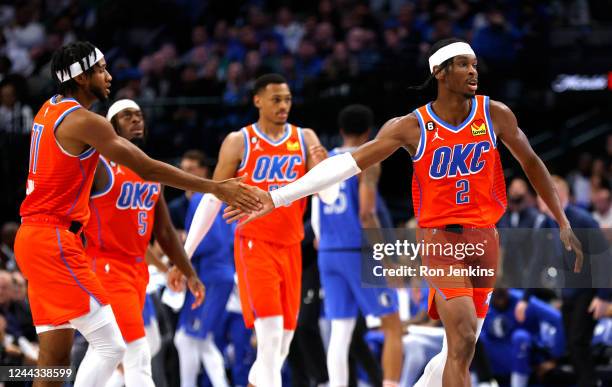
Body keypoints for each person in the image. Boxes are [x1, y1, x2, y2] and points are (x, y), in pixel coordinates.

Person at [226, 38, 584, 387]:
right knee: (460, 336)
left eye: (475, 64)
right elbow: (347, 164)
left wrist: (562, 220)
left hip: (485, 236)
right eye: (463, 64)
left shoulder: (495, 114)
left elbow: (532, 163)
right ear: (440, 73)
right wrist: (279, 196)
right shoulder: (411, 126)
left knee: (461, 346)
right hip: (439, 238)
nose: (473, 71)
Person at [13, 41, 259, 387]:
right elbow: (145, 166)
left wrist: (183, 269)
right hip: (62, 242)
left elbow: (162, 227)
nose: (109, 76)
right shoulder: (86, 122)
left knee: (53, 360)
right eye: (101, 69)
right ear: (82, 77)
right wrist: (216, 187)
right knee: (114, 347)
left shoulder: (49, 109)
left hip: (39, 239)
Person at [184, 73, 333, 387]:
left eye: (288, 99)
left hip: (292, 246)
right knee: (270, 336)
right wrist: (185, 254)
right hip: (254, 244)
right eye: (276, 99)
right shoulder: (240, 141)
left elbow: (328, 197)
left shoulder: (306, 138)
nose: (283, 105)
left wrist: (323, 173)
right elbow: (212, 198)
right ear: (257, 101)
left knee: (281, 345)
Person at [82, 99, 205, 387]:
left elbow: (164, 231)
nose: (136, 120)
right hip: (105, 267)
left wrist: (187, 271)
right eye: (127, 116)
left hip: (137, 271)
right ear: (111, 126)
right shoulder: (98, 166)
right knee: (137, 348)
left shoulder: (151, 172)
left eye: (139, 115)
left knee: (108, 351)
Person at [311, 104, 403, 387]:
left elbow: (316, 205)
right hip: (357, 252)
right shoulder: (369, 159)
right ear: (369, 132)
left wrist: (321, 237)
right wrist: (387, 258)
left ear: (341, 131)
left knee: (341, 328)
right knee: (393, 327)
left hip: (328, 251)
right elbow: (366, 213)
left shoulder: (324, 160)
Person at [173, 187, 235, 387]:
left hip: (211, 275)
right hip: (219, 273)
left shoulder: (201, 197)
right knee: (200, 340)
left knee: (187, 339)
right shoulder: (223, 198)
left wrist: (185, 243)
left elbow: (212, 240)